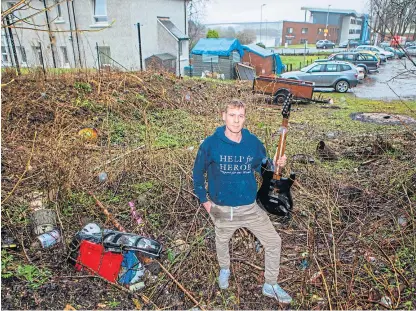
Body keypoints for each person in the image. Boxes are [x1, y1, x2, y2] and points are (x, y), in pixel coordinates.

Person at [192, 99, 292, 304]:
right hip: (221, 207)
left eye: (240, 116)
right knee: (221, 241)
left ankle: (270, 284)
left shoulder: (253, 143)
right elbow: (197, 174)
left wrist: (276, 164)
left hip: (250, 207)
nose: (236, 121)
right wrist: (205, 201)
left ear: (245, 118)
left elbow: (264, 170)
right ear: (223, 116)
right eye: (232, 115)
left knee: (274, 242)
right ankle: (225, 269)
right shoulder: (210, 144)